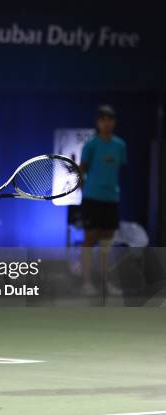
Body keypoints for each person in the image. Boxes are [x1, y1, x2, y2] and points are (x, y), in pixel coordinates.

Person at [79, 105, 127, 295]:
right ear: (98, 123)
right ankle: (86, 283)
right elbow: (82, 170)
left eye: (110, 119)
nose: (106, 123)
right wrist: (86, 190)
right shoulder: (91, 145)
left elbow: (119, 169)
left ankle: (106, 282)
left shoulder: (120, 145)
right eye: (103, 119)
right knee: (90, 239)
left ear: (113, 122)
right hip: (92, 198)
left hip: (111, 198)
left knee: (107, 241)